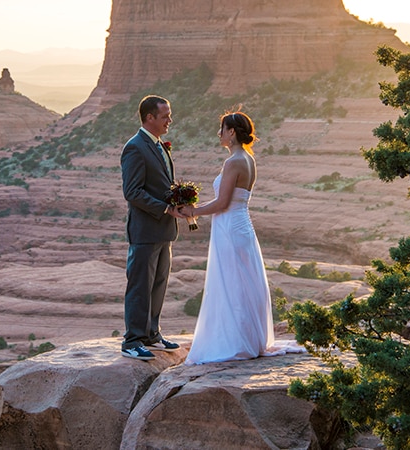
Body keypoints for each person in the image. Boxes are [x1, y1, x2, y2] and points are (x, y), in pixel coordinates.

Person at [181, 111, 304, 365]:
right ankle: (248, 337)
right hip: (241, 225)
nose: (219, 133)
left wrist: (192, 212)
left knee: (231, 283)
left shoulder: (232, 162)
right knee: (243, 282)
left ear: (232, 132)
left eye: (222, 129)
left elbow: (222, 203)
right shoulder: (248, 159)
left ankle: (236, 342)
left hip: (229, 227)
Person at [119, 95, 186, 361]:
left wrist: (178, 201)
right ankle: (133, 340)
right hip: (146, 230)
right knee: (140, 286)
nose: (170, 119)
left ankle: (151, 334)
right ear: (149, 118)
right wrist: (166, 208)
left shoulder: (158, 145)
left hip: (164, 230)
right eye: (165, 116)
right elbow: (132, 192)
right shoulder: (135, 147)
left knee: (158, 283)